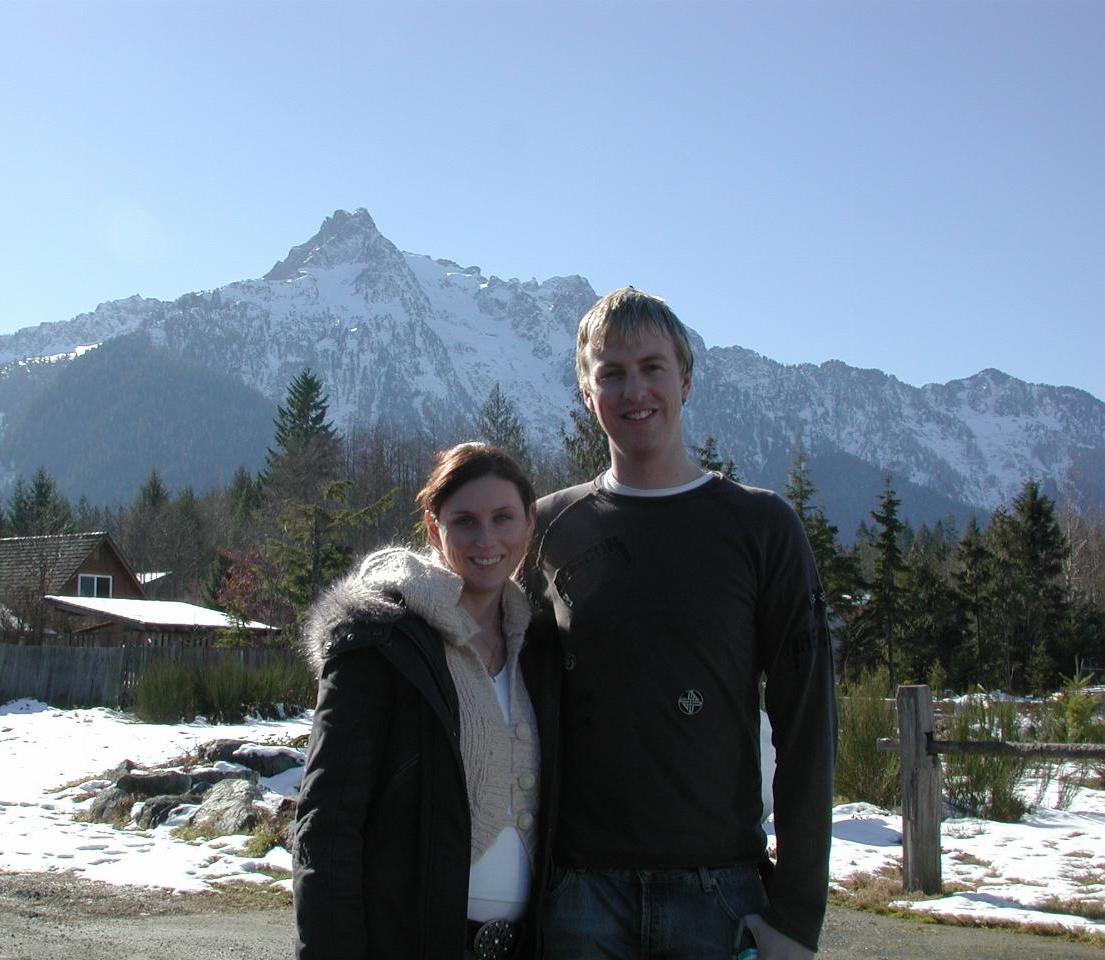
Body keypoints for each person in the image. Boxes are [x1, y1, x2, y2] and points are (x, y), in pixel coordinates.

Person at [524, 288, 837, 960]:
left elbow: (808, 724)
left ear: (686, 380)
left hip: (719, 894)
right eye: (611, 373)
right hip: (578, 896)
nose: (634, 390)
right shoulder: (547, 528)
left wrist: (797, 914)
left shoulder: (762, 527)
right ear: (587, 392)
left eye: (652, 367)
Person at [293, 442, 560, 960]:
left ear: (529, 523)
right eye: (464, 522)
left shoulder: (541, 651)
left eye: (503, 518)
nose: (486, 540)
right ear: (434, 530)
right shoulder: (382, 643)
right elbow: (328, 825)